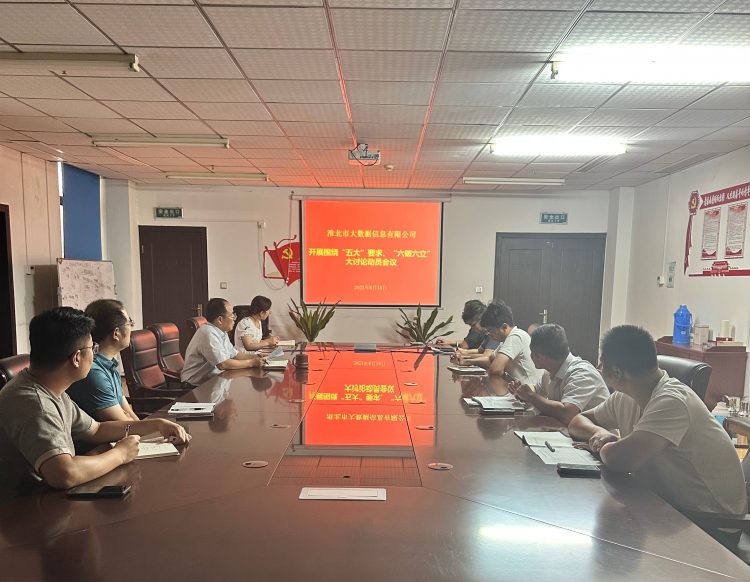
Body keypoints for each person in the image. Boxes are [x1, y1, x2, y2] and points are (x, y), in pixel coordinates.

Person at [568, 325, 746, 547]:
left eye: (601, 364)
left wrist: (607, 445)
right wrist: (600, 433)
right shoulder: (626, 395)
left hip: (711, 526)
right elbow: (577, 422)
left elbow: (620, 460)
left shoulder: (672, 401)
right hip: (666, 508)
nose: (598, 368)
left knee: (597, 536)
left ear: (617, 373)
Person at [0, 307, 190, 491]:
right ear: (77, 358)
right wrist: (120, 454)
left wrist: (156, 424)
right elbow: (64, 474)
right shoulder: (35, 403)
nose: (95, 354)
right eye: (93, 348)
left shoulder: (50, 388)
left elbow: (96, 429)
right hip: (29, 505)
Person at [507, 324, 609, 424]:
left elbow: (567, 414)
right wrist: (522, 390)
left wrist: (531, 396)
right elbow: (537, 390)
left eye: (532, 352)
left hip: (599, 434)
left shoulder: (582, 373)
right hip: (569, 431)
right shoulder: (550, 371)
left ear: (539, 356)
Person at [67, 299, 139, 422]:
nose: (131, 327)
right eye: (129, 323)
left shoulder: (110, 364)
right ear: (116, 333)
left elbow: (129, 414)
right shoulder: (93, 372)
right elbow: (124, 423)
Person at [181, 297, 263, 386]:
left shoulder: (221, 331)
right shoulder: (208, 332)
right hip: (196, 385)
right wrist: (251, 363)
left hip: (213, 379)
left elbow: (234, 354)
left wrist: (256, 356)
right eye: (232, 316)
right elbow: (223, 364)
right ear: (220, 320)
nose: (234, 319)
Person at [454, 302, 541, 384]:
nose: (489, 334)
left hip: (530, 389)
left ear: (504, 327)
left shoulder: (516, 336)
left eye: (491, 330)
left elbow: (496, 369)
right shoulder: (505, 340)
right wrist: (466, 361)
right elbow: (490, 359)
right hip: (518, 387)